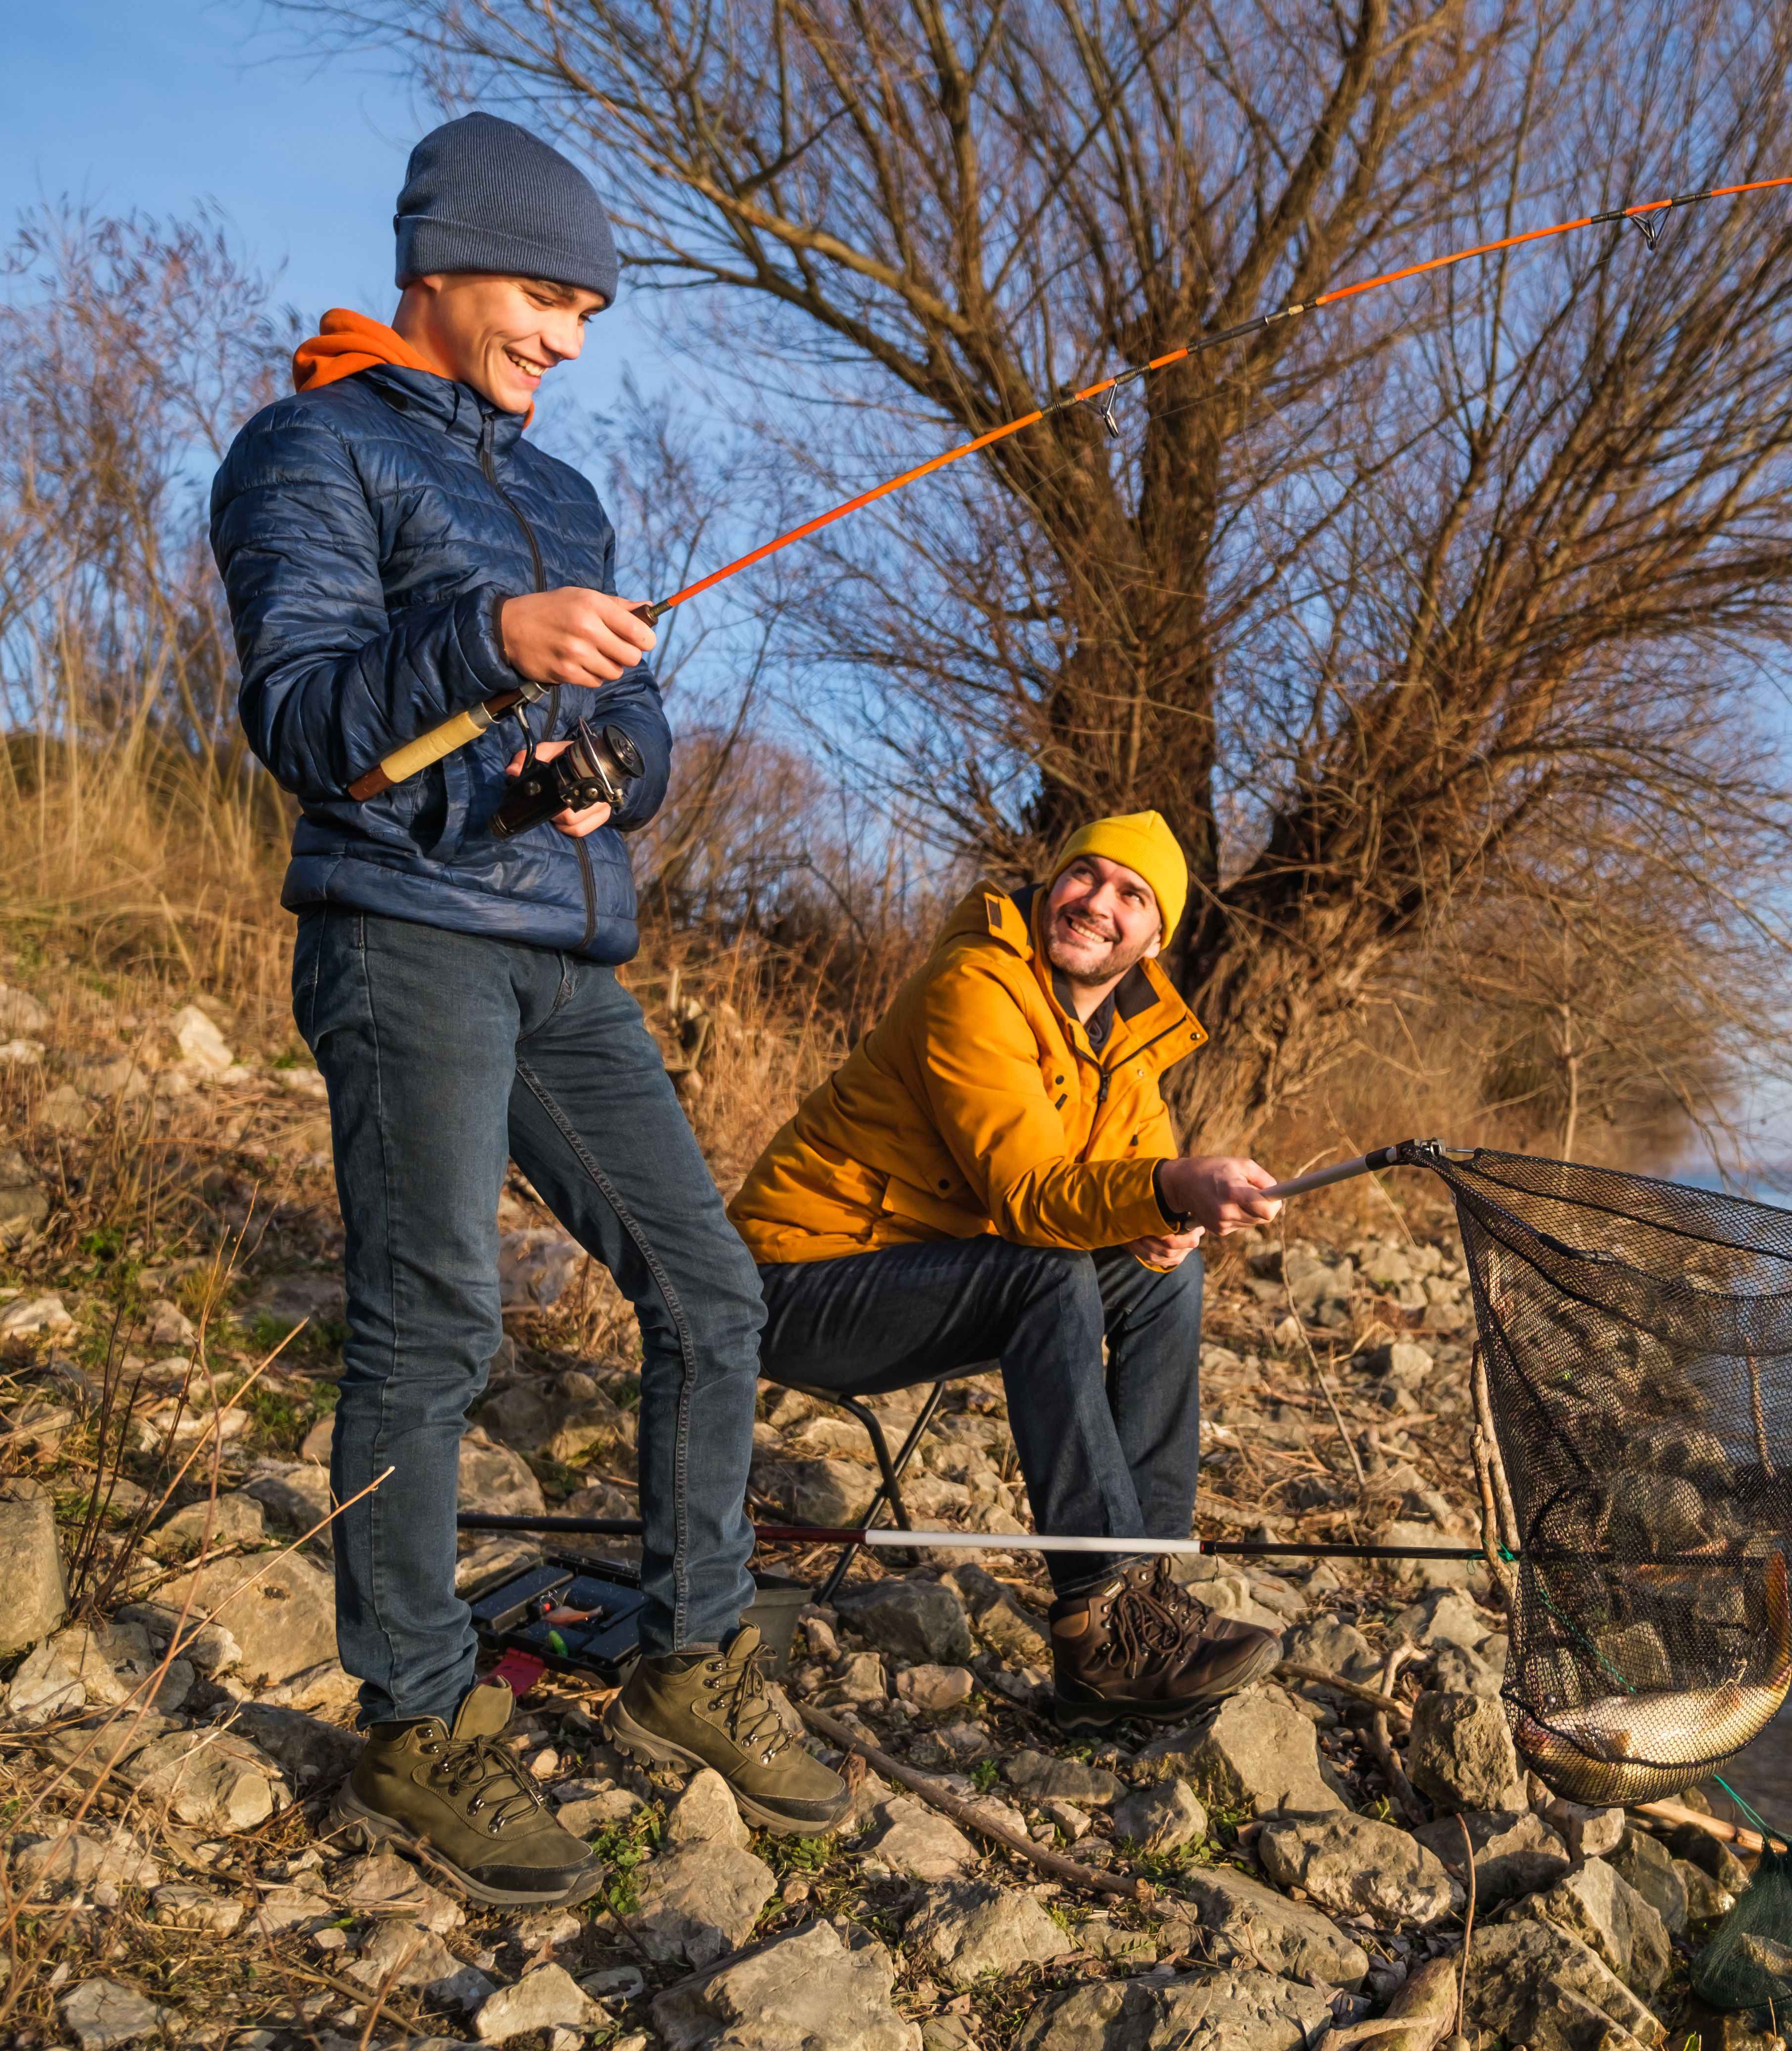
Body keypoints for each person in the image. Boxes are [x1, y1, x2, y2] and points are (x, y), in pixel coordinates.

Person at [211, 111, 841, 1909]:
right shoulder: (308, 447)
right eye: (543, 298)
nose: (564, 340)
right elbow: (311, 722)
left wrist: (609, 772)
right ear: (444, 264)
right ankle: (413, 1720)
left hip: (567, 953)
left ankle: (691, 1655)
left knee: (713, 1292)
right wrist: (492, 639)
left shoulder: (565, 494)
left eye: (587, 315)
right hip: (402, 937)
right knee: (432, 1322)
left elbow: (637, 717)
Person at [726, 812, 1289, 1730]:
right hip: (797, 1283)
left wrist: (1171, 1216)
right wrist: (1168, 1184)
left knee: (1161, 1277)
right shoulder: (975, 984)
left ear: (1153, 943)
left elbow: (1131, 1183)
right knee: (1045, 1273)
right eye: (1085, 875)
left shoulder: (1126, 1044)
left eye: (1130, 895)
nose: (1097, 903)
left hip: (924, 1279)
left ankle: (1141, 1601)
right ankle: (1096, 1620)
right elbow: (1031, 1194)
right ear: (1050, 883)